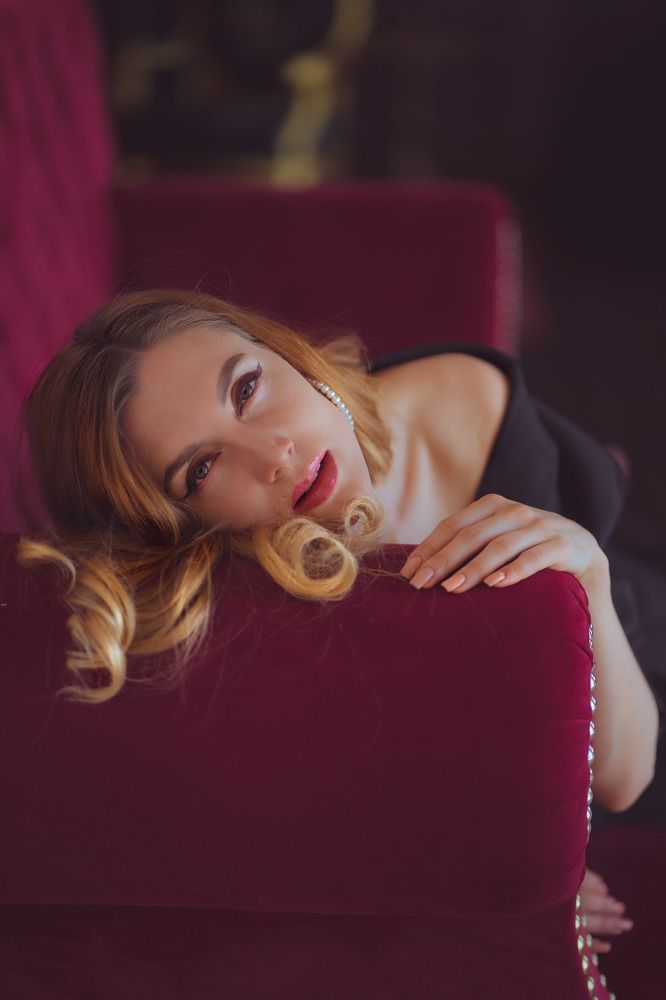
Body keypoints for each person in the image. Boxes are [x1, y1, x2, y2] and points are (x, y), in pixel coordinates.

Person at [17, 288, 658, 954]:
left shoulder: (461, 396)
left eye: (246, 389)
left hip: (638, 631)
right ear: (173, 531)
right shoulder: (252, 620)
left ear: (288, 356)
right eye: (202, 469)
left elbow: (625, 773)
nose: (273, 453)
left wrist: (590, 574)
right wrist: (526, 857)